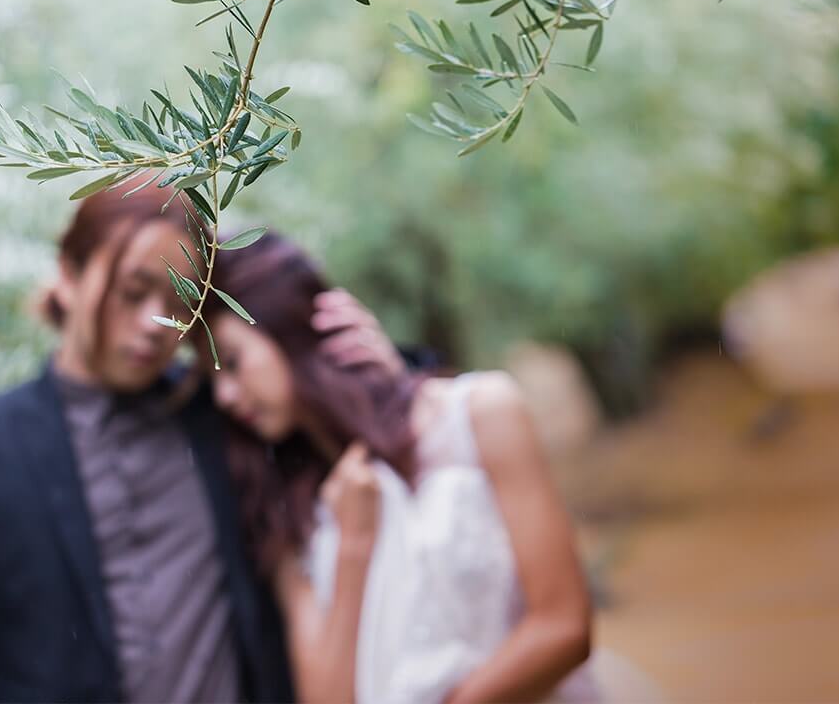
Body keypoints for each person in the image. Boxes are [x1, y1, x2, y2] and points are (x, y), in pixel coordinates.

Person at [0, 189, 400, 703]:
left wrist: (375, 373)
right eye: (133, 291)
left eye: (178, 302)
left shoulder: (220, 413)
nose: (155, 323)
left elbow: (315, 411)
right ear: (70, 273)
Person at [205, 231, 600, 704]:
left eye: (232, 361)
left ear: (289, 333)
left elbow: (565, 627)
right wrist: (354, 547)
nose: (225, 396)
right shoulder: (286, 511)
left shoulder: (479, 414)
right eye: (211, 378)